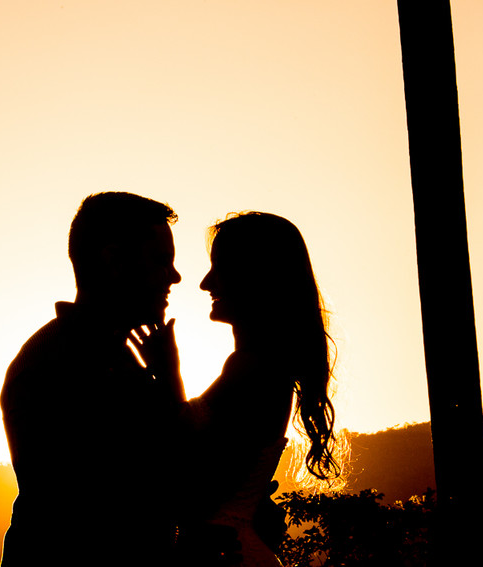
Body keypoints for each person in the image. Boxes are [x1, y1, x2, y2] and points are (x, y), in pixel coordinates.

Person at [133, 211, 341, 566]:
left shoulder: (254, 367)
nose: (205, 282)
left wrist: (169, 376)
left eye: (220, 268)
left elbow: (194, 482)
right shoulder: (260, 365)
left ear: (256, 277)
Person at [0, 191, 184, 567]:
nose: (175, 277)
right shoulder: (57, 363)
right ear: (114, 261)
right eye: (161, 261)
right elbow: (129, 499)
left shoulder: (115, 357)